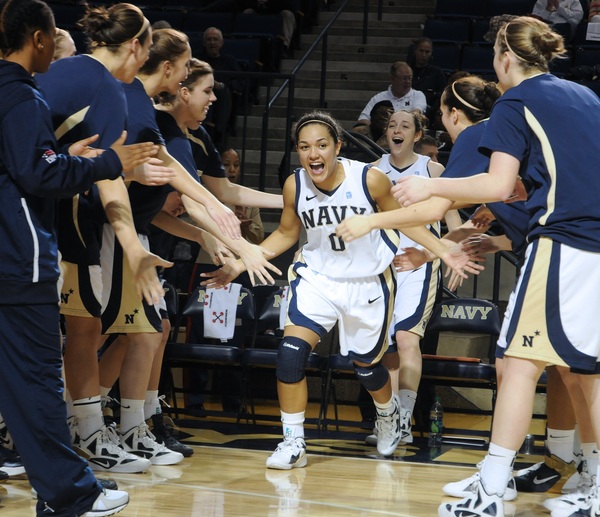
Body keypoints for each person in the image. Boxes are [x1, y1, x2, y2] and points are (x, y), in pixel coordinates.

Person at [357, 17, 600, 517]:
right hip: (590, 245)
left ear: (505, 58)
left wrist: (431, 186)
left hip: (563, 242)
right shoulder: (585, 97)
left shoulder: (517, 101)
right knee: (581, 370)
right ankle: (589, 481)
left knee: (515, 363)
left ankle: (491, 491)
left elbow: (494, 185)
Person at [201, 110, 482, 469]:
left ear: (338, 146)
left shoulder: (370, 179)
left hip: (367, 282)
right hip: (317, 277)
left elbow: (406, 221)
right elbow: (288, 233)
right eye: (304, 147)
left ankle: (387, 412)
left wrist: (444, 250)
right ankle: (293, 440)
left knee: (366, 367)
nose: (313, 154)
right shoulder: (295, 184)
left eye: (321, 145)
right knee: (290, 353)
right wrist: (240, 262)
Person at [0, 0, 162, 513]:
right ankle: (68, 496)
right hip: (16, 261)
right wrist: (109, 163)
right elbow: (36, 175)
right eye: (52, 35)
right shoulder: (19, 95)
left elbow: (25, 165)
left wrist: (64, 157)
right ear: (37, 38)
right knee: (38, 383)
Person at [36, 2, 184, 476]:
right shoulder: (110, 89)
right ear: (138, 47)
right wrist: (134, 244)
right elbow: (107, 175)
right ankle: (82, 434)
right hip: (63, 220)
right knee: (78, 330)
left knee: (69, 330)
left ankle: (67, 431)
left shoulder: (68, 70)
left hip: (46, 212)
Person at [197, 26, 241, 146]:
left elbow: (238, 81)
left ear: (221, 43)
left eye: (215, 40)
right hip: (200, 94)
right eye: (209, 39)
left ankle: (221, 131)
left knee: (223, 91)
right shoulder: (198, 60)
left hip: (223, 96)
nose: (212, 43)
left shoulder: (229, 61)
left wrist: (221, 85)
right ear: (204, 42)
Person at [358, 61, 427, 126]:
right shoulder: (379, 98)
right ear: (392, 78)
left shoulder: (417, 95)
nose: (407, 81)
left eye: (410, 78)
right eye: (404, 78)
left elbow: (416, 112)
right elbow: (363, 119)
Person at [408, 37, 447, 118]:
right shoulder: (407, 70)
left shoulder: (437, 73)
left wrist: (434, 94)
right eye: (421, 51)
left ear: (431, 53)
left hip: (430, 110)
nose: (424, 55)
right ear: (415, 51)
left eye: (427, 52)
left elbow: (443, 94)